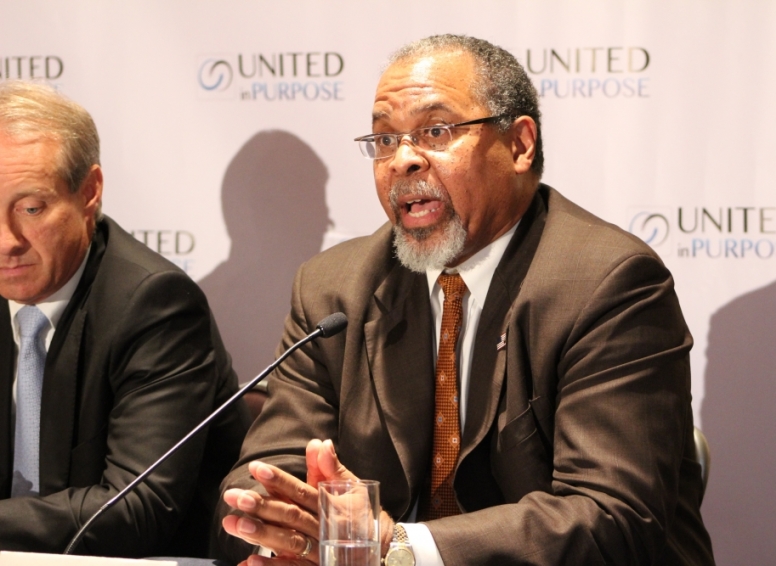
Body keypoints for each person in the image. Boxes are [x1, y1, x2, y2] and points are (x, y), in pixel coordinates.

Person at [216, 34, 714, 565]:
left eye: (435, 131)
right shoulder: (332, 288)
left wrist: (395, 547)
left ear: (520, 146)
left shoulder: (607, 283)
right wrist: (281, 522)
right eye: (384, 140)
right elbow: (268, 468)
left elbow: (611, 516)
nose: (403, 161)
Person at [0, 81, 251, 556]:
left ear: (89, 191)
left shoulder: (155, 304)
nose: (6, 240)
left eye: (30, 208)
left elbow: (137, 507)